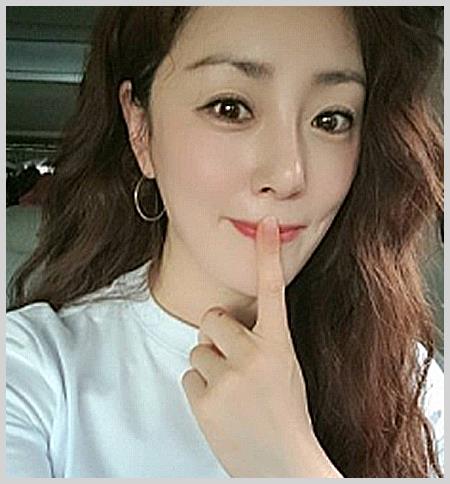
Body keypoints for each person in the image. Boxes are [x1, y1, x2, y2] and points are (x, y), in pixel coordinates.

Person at [6, 6, 444, 478]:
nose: (288, 175)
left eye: (330, 119)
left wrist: (290, 462)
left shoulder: (409, 384)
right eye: (230, 108)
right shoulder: (29, 372)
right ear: (140, 130)